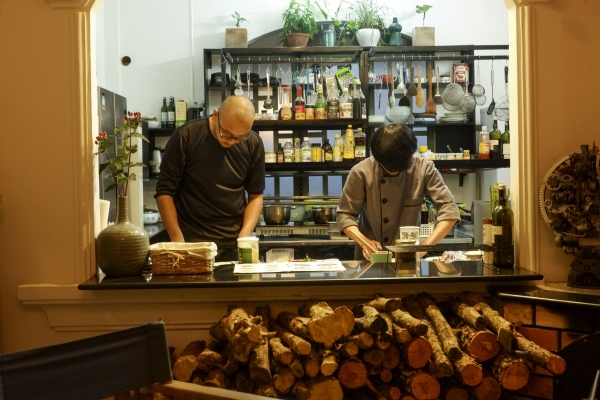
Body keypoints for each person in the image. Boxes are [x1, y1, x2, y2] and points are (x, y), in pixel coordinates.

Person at [155, 96, 265, 261]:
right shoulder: (186, 136)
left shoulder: (254, 143)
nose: (232, 142)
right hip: (191, 242)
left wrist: (245, 234)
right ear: (215, 115)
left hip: (233, 243)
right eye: (226, 134)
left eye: (240, 137)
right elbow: (164, 192)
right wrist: (178, 241)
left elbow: (255, 195)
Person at [336, 123, 460, 260]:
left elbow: (449, 210)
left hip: (409, 259)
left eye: (399, 168)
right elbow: (344, 215)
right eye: (388, 167)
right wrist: (365, 242)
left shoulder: (424, 168)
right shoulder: (361, 172)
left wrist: (423, 248)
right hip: (369, 259)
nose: (393, 171)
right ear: (377, 157)